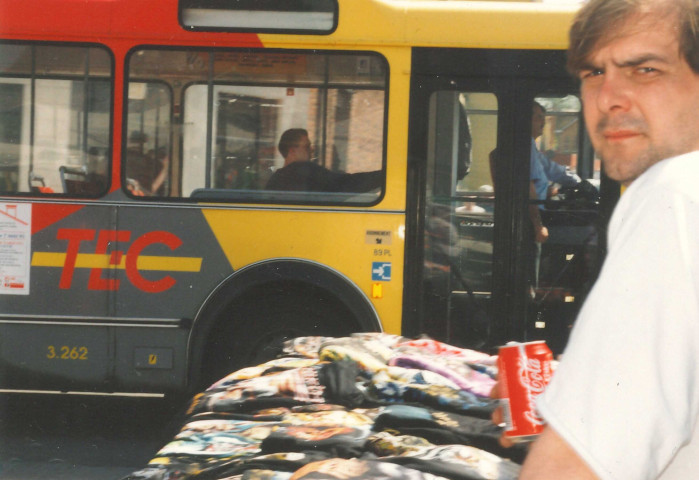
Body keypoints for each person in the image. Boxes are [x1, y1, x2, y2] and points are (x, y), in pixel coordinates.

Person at [516, 0, 699, 478]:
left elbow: (573, 468)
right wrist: (583, 387)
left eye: (645, 69)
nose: (607, 97)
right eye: (593, 72)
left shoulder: (674, 194)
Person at [266, 128, 381, 193]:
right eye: (307, 147)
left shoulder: (276, 178)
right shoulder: (305, 171)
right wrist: (382, 175)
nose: (311, 150)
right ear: (292, 151)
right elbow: (346, 183)